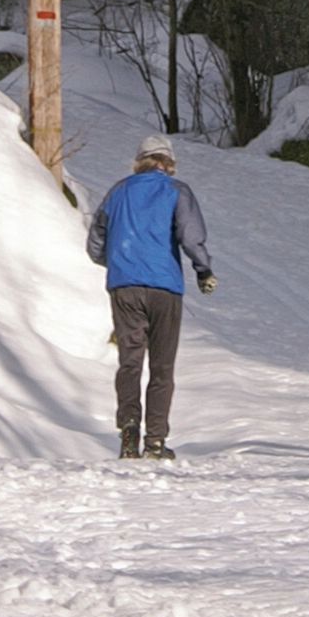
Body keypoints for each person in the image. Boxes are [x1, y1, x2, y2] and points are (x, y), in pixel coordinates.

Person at [85, 134, 216, 460]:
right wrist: (203, 270)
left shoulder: (118, 192)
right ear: (168, 163)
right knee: (162, 366)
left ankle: (129, 433)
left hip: (125, 287)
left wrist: (119, 264)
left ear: (139, 161)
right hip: (164, 288)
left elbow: (95, 244)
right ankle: (155, 441)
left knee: (129, 361)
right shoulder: (176, 190)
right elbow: (190, 235)